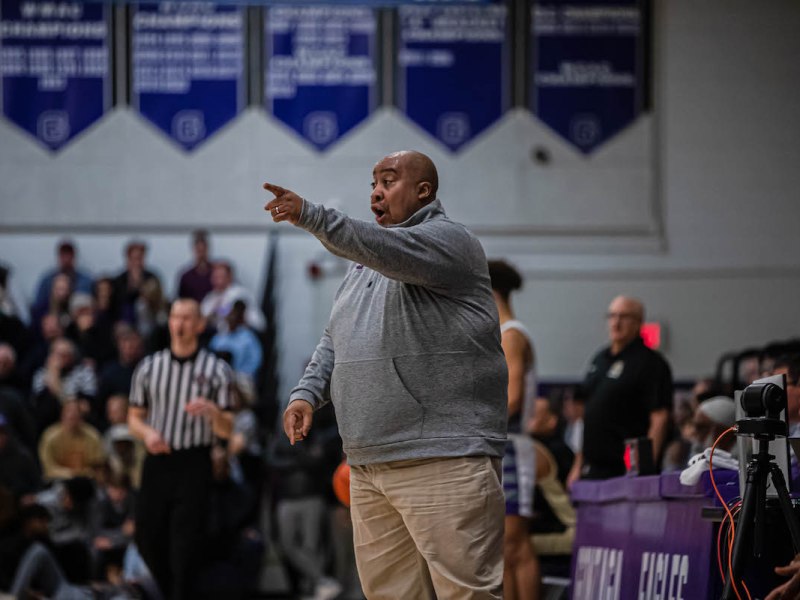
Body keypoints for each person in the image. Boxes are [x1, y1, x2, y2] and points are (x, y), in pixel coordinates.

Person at [264, 150, 507, 599]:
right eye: (373, 182)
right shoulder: (361, 270)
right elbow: (334, 338)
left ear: (423, 191)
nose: (376, 191)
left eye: (388, 180)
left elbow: (381, 248)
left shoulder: (449, 241)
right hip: (369, 464)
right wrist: (306, 393)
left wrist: (313, 216)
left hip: (442, 457)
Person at [128, 298, 234, 600]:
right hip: (158, 459)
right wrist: (147, 433)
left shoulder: (217, 370)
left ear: (200, 325)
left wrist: (214, 413)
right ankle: (170, 592)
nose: (180, 323)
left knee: (184, 545)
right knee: (146, 537)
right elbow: (133, 417)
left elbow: (227, 429)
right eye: (175, 316)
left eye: (188, 317)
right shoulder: (149, 367)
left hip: (194, 462)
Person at [569, 295, 673, 483]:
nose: (616, 323)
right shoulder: (600, 358)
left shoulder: (650, 363)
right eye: (612, 316)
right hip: (593, 468)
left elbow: (659, 418)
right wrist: (578, 464)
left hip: (624, 470)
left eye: (624, 317)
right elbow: (587, 414)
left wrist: (644, 469)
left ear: (638, 322)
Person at [488, 259, 541, 600]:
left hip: (512, 445)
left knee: (515, 544)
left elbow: (513, 399)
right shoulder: (499, 333)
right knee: (500, 551)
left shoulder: (512, 334)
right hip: (498, 445)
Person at [31, 239, 94, 320]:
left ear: (74, 256)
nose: (66, 259)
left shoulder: (86, 281)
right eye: (63, 255)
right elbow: (37, 306)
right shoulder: (47, 280)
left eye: (69, 255)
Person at [200, 261, 265, 333]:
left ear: (229, 277)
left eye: (219, 277)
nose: (215, 280)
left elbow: (258, 323)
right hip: (214, 336)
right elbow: (202, 318)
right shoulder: (210, 297)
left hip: (239, 336)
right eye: (214, 277)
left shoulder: (240, 294)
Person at [177, 229, 214, 303]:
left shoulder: (216, 274)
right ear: (194, 250)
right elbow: (181, 300)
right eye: (199, 250)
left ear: (207, 249)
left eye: (203, 250)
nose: (201, 254)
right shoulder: (186, 277)